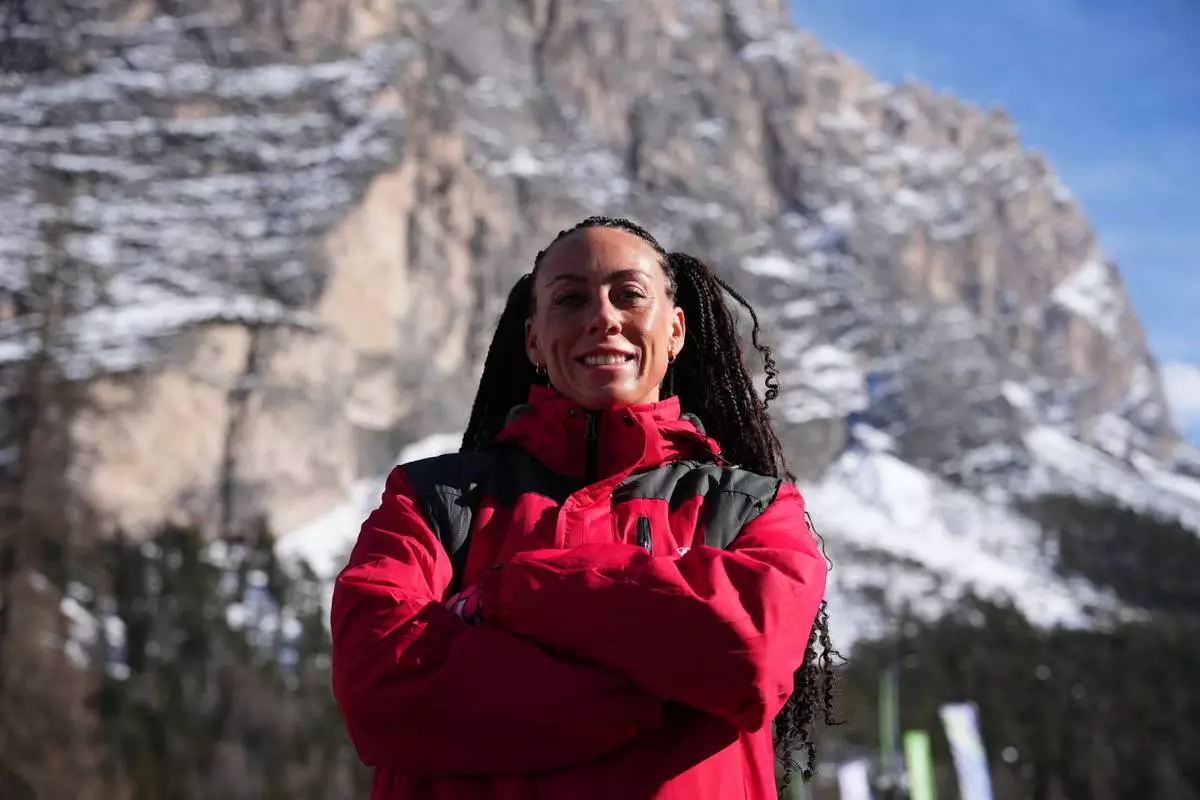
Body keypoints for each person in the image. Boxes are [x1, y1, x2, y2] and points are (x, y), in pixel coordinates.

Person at [330, 216, 838, 799]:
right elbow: (381, 686)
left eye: (629, 295)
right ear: (533, 340)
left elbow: (752, 650)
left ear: (675, 332)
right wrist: (656, 689)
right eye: (571, 298)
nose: (602, 317)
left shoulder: (753, 508)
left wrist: (506, 597)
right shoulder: (431, 500)